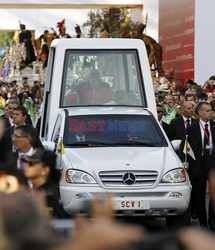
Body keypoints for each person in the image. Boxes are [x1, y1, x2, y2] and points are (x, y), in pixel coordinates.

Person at [180, 102, 215, 228]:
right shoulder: (192, 128)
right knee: (199, 195)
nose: (210, 113)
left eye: (211, 110)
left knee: (213, 193)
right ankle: (203, 223)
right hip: (198, 163)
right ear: (200, 113)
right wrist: (184, 160)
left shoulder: (214, 127)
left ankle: (212, 218)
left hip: (212, 162)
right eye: (207, 110)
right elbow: (184, 146)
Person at [23, 148, 69, 218]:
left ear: (45, 170)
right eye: (26, 162)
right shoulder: (38, 190)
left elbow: (45, 222)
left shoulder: (47, 196)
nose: (26, 166)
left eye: (31, 164)